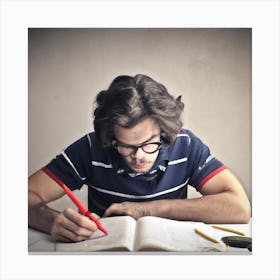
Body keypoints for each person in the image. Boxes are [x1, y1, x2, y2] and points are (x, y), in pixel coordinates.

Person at [28, 74, 251, 242]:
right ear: (110, 135)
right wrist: (51, 221)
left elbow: (239, 208)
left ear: (164, 130)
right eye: (125, 145)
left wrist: (147, 209)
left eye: (149, 143)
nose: (139, 156)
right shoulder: (91, 147)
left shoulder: (186, 145)